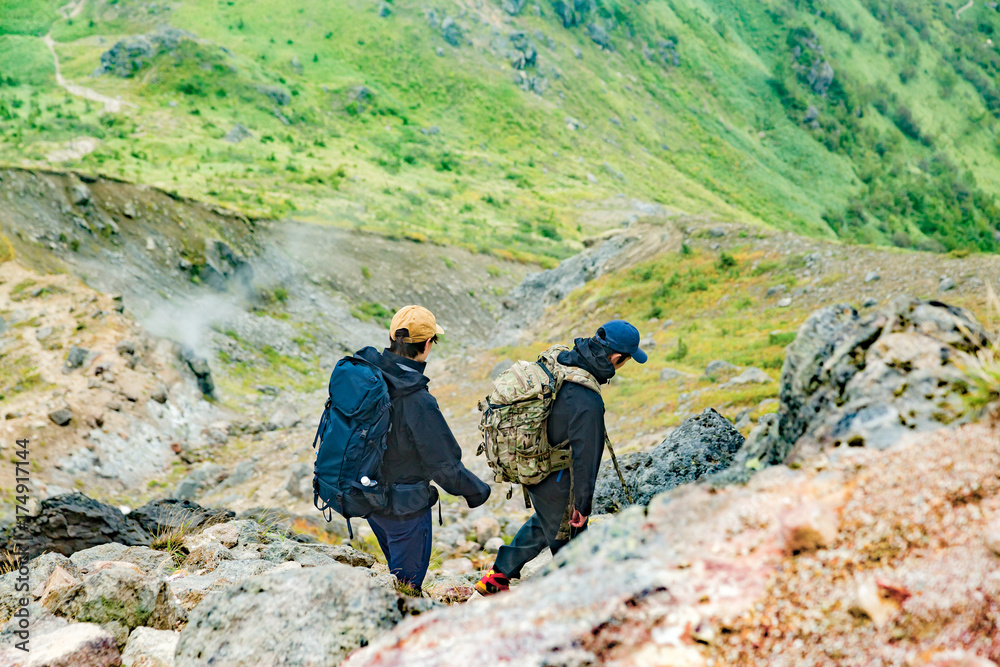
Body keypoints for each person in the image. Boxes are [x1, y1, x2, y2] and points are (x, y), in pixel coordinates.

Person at [475, 320, 646, 595]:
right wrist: (582, 505)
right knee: (571, 551)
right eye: (626, 360)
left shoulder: (565, 359)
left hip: (535, 463)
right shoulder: (587, 401)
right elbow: (586, 459)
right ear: (616, 358)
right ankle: (577, 608)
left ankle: (496, 577)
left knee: (546, 523)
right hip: (552, 474)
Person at [356, 305, 491, 591]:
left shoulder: (366, 377)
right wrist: (478, 491)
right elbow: (445, 466)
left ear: (391, 336)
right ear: (428, 344)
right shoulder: (417, 399)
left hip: (369, 499)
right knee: (407, 587)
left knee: (396, 577)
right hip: (404, 509)